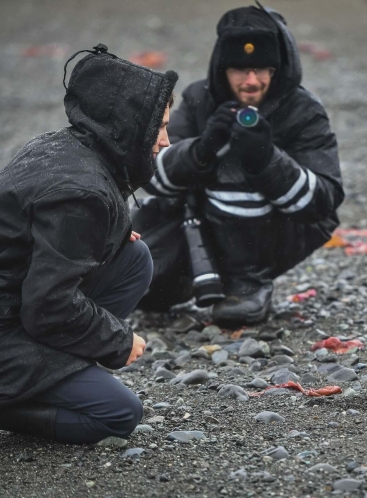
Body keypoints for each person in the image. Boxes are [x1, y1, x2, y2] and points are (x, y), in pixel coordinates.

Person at [0, 44, 178, 452]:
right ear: (125, 125)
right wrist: (117, 341)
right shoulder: (79, 190)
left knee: (134, 260)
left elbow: (36, 237)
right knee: (118, 413)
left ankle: (53, 375)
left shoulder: (64, 147)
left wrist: (111, 234)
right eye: (158, 128)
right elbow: (49, 305)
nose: (166, 141)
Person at [135, 5, 343, 325]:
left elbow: (324, 202)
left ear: (276, 68)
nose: (251, 81)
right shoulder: (198, 99)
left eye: (261, 69)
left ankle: (249, 281)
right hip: (199, 219)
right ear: (222, 69)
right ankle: (191, 274)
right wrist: (201, 151)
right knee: (143, 289)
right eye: (239, 69)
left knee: (237, 172)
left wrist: (266, 159)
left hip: (278, 229)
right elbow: (149, 176)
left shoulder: (303, 110)